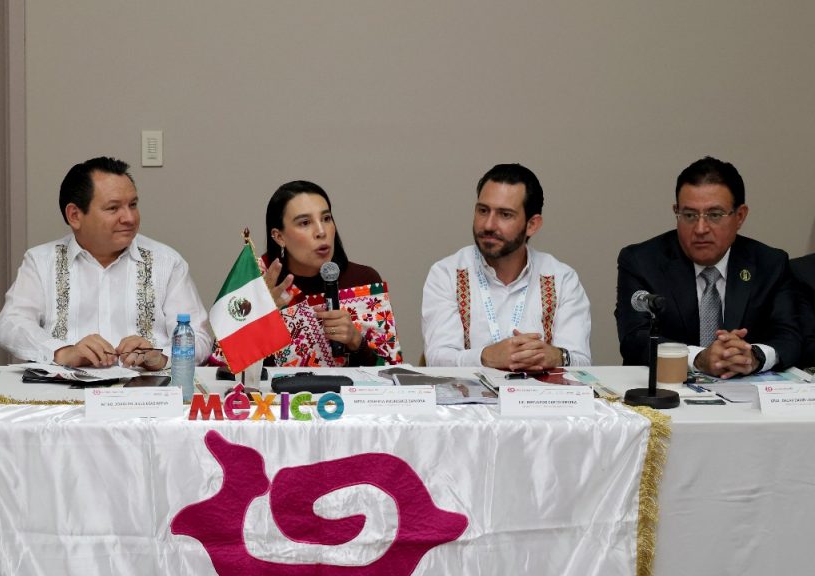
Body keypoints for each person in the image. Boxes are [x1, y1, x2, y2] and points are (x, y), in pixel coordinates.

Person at [0, 156, 212, 368]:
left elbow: (200, 339)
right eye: (113, 208)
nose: (129, 218)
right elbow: (10, 324)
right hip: (65, 388)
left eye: (133, 205)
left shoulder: (167, 263)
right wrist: (62, 351)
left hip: (147, 388)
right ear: (75, 215)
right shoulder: (41, 262)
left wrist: (160, 357)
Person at [616, 156, 801, 377]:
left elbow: (790, 336)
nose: (700, 228)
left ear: (740, 216)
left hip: (745, 392)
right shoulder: (641, 262)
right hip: (668, 390)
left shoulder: (769, 264)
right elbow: (634, 338)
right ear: (676, 212)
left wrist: (753, 356)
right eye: (689, 215)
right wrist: (698, 358)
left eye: (714, 215)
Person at [421, 164, 591, 369]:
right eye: (483, 211)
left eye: (505, 215)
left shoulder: (561, 279)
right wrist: (485, 357)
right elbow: (437, 358)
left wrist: (556, 356)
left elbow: (582, 361)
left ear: (532, 225)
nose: (488, 225)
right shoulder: (447, 274)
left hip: (537, 390)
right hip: (467, 391)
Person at [227, 180, 402, 367]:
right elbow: (223, 370)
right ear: (279, 237)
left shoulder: (363, 281)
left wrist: (356, 342)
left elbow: (393, 373)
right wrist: (260, 321)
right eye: (305, 223)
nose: (321, 231)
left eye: (326, 219)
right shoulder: (255, 281)